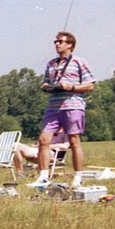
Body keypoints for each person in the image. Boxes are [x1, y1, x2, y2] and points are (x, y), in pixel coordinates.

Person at [27, 31, 96, 188]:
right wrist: (47, 87)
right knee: (43, 140)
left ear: (70, 45)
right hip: (53, 106)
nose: (57, 44)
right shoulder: (51, 64)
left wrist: (70, 86)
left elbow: (90, 85)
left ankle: (78, 177)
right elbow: (45, 82)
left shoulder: (79, 61)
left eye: (61, 41)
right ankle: (43, 177)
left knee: (74, 141)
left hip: (73, 105)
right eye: (56, 42)